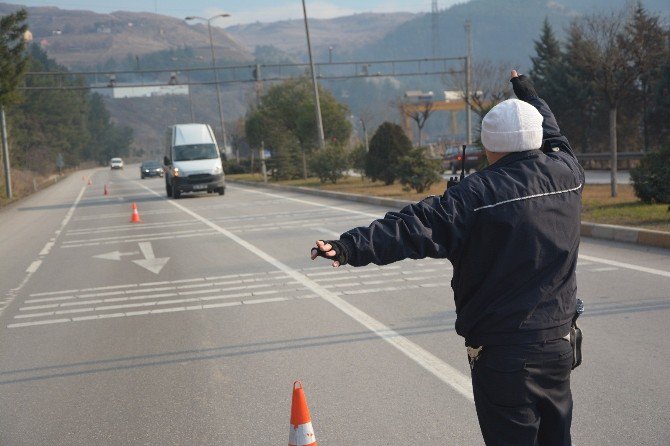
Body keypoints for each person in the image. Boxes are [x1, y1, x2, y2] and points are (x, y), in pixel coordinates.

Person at [310, 70, 584, 446]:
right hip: (558, 344)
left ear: (488, 145)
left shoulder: (474, 195)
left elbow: (411, 228)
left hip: (504, 354)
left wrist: (348, 246)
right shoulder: (568, 173)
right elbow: (554, 134)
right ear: (536, 137)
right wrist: (529, 93)